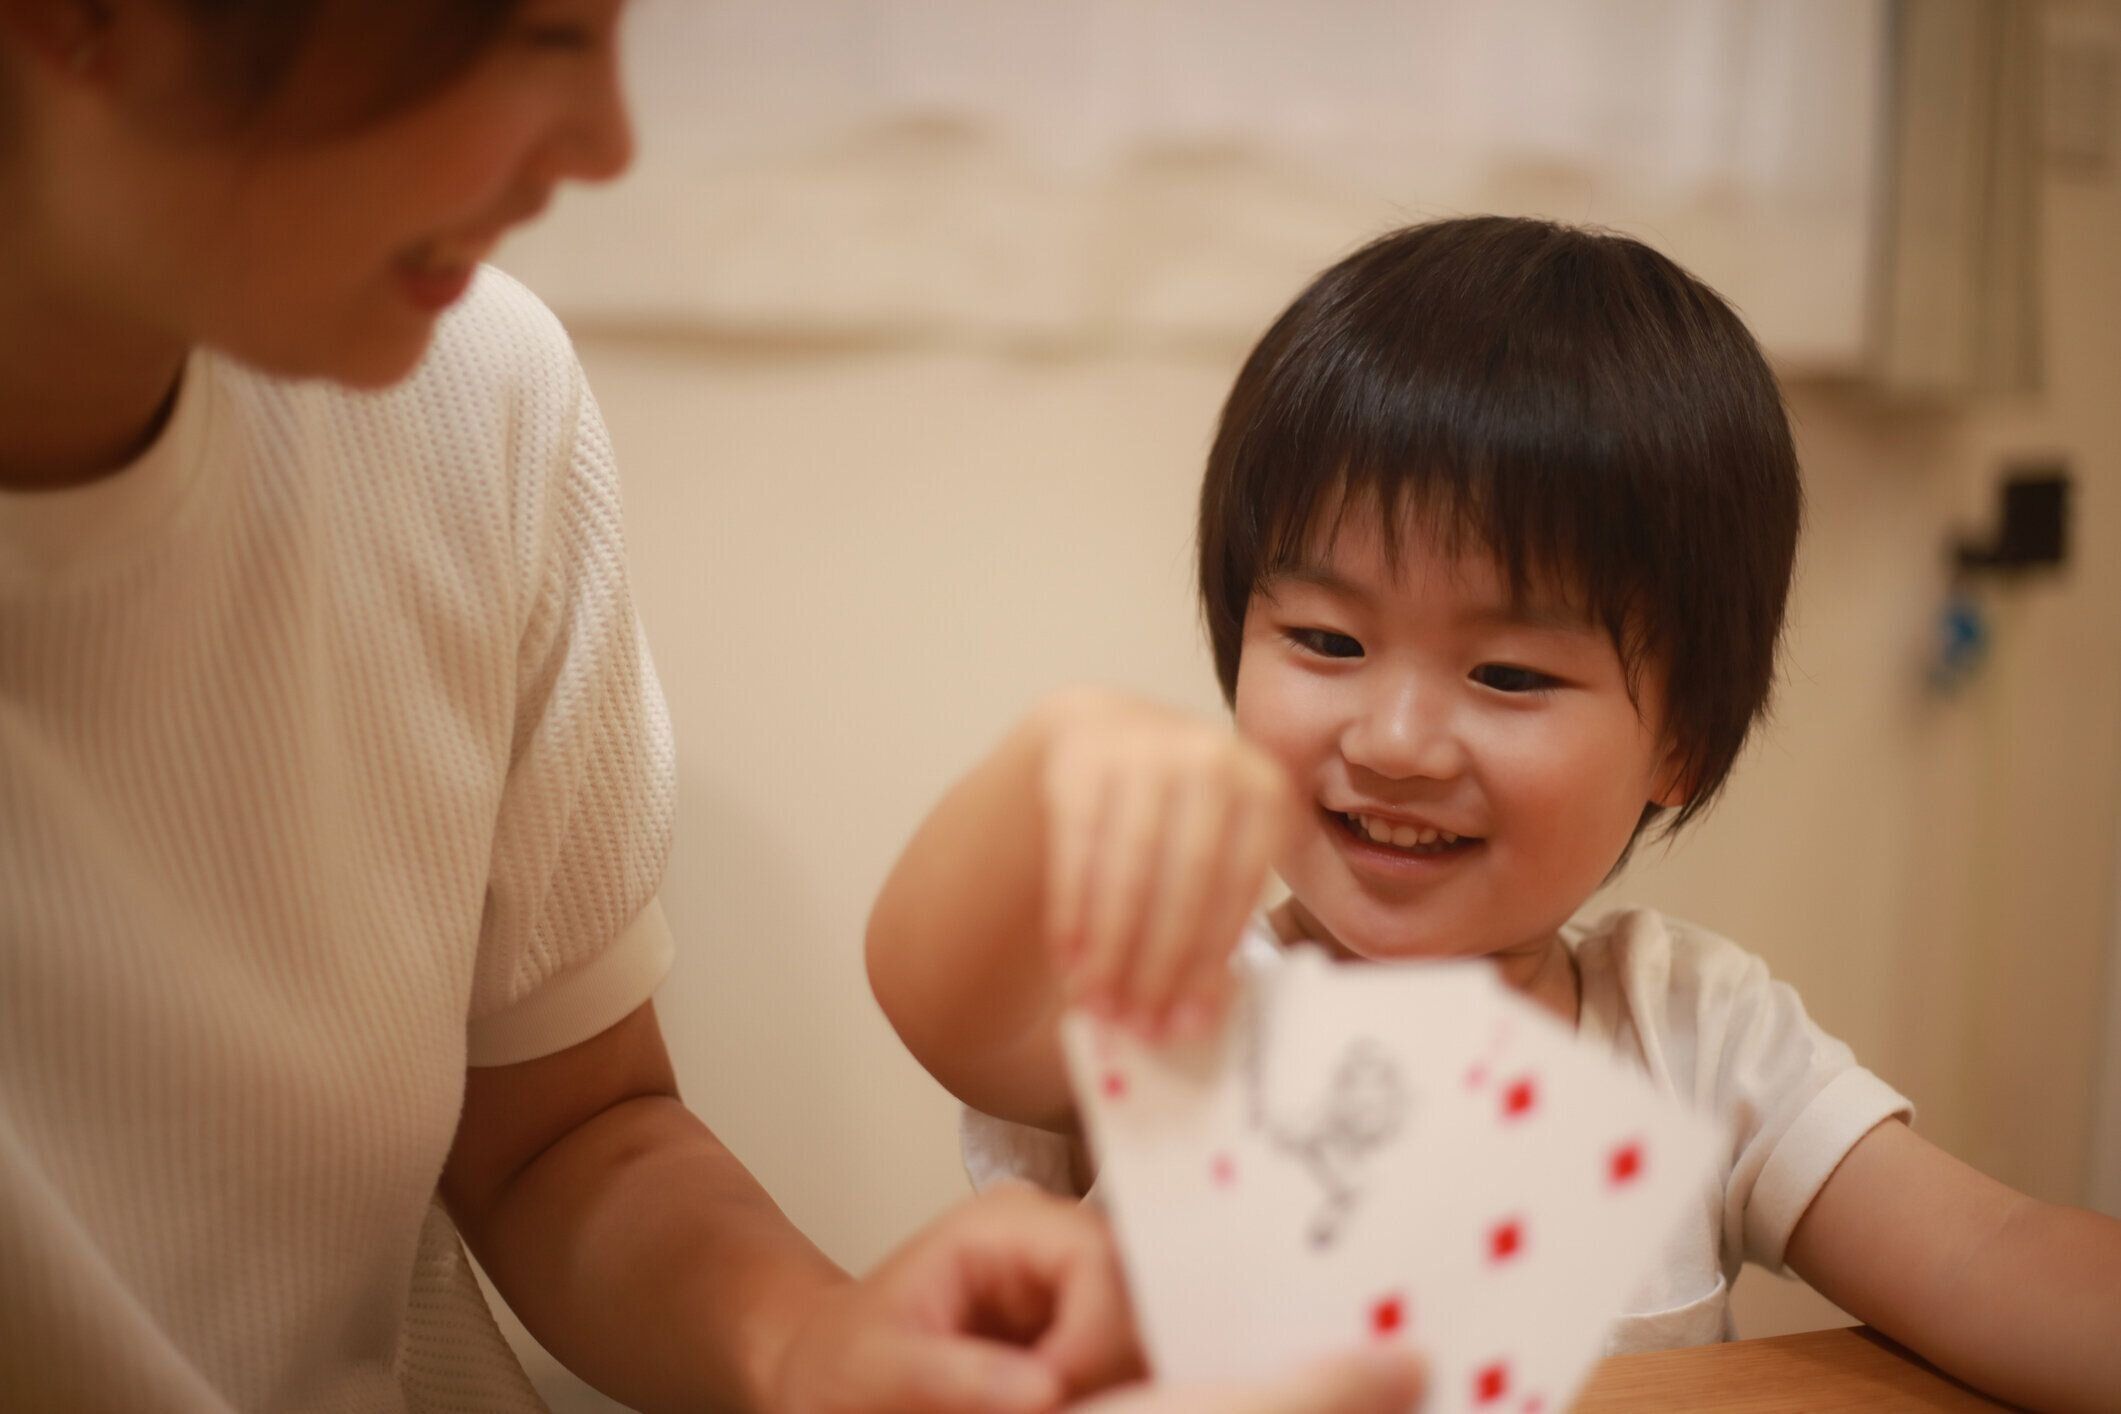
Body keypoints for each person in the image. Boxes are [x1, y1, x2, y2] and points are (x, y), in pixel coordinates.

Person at [0, 2, 1429, 1410]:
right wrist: (1061, 770)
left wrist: (807, 1345)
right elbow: (947, 991)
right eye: (527, 33)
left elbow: (566, 1128)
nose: (608, 143)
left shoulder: (477, 395)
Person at [866, 216, 2121, 1412]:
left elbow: (1986, 1253)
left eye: (1509, 674)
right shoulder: (1194, 999)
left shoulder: (1694, 1035)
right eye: (1327, 639)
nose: (1395, 741)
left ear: (1676, 741)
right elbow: (945, 1004)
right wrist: (1047, 765)